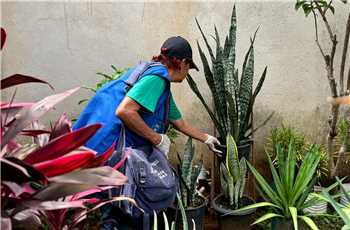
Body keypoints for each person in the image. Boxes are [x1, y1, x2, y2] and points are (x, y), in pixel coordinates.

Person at [73, 36, 221, 229]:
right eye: (189, 67)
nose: (187, 73)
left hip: (104, 156)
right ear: (182, 62)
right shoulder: (157, 79)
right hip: (113, 158)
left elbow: (180, 123)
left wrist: (207, 139)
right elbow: (124, 111)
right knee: (122, 215)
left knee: (116, 211)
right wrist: (157, 138)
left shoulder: (156, 82)